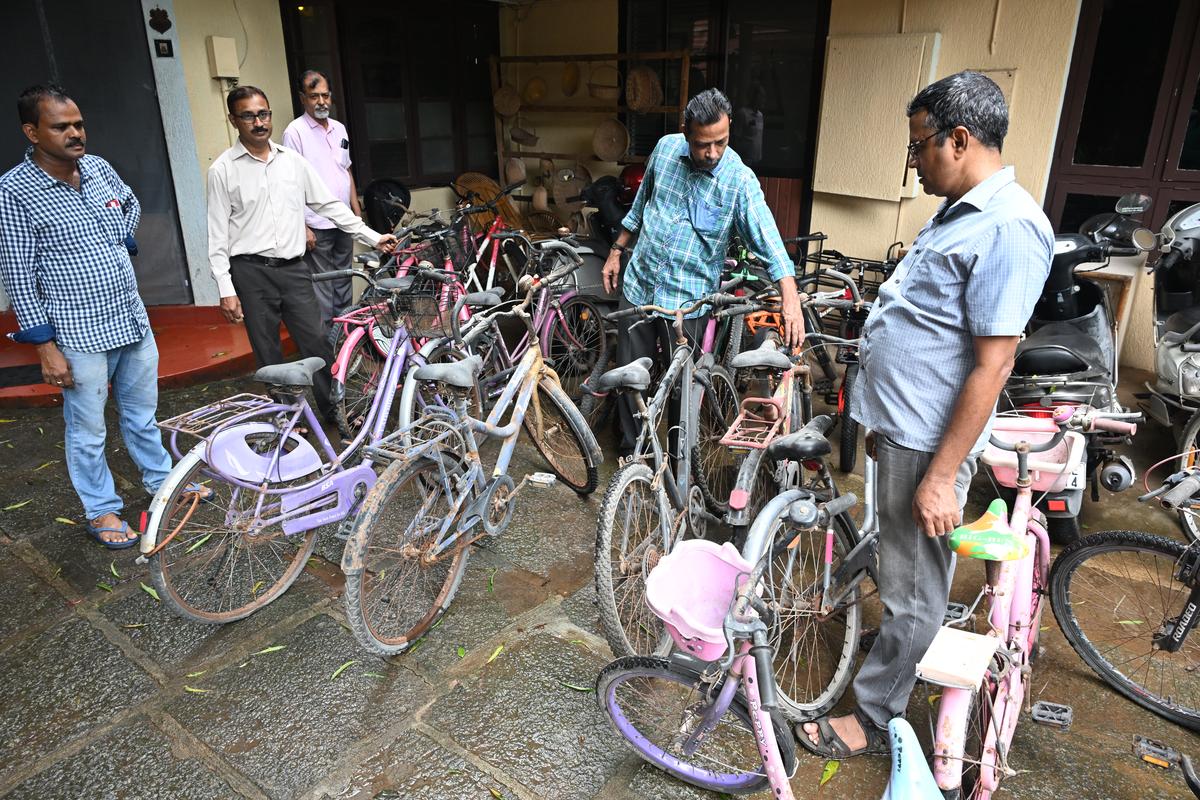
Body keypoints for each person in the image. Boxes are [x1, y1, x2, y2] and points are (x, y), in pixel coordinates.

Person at [799, 71, 1053, 758]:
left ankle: (875, 716)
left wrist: (941, 478)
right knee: (901, 561)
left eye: (920, 147)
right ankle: (900, 650)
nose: (914, 162)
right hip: (900, 428)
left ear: (959, 139)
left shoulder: (1009, 227)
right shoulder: (962, 207)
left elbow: (991, 366)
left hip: (926, 443)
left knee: (915, 593)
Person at [0, 84, 173, 549]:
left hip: (131, 319)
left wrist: (120, 235)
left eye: (78, 123)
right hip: (78, 334)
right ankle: (102, 510)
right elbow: (18, 272)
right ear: (32, 132)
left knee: (142, 417)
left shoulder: (98, 168)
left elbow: (130, 203)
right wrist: (44, 347)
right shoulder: (14, 190)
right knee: (88, 431)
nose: (76, 133)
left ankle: (163, 484)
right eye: (62, 126)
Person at [600, 88, 803, 461]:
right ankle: (634, 454)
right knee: (630, 378)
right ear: (685, 132)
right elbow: (641, 204)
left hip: (688, 303)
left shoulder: (738, 181)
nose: (711, 153)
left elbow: (769, 241)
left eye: (720, 143)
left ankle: (679, 463)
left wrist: (790, 299)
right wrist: (617, 251)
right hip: (640, 283)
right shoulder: (664, 149)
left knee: (682, 387)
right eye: (701, 144)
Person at [206, 86, 396, 424]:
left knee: (317, 343)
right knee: (268, 352)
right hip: (251, 272)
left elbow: (328, 206)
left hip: (295, 269)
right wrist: (225, 287)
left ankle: (333, 411)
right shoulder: (223, 170)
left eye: (263, 113)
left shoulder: (291, 163)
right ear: (234, 120)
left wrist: (372, 236)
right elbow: (217, 233)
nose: (258, 122)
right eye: (248, 116)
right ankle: (286, 417)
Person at [281, 70, 361, 334]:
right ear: (303, 98)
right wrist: (302, 226)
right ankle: (328, 349)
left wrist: (356, 211)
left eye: (325, 95)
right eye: (314, 96)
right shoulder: (295, 132)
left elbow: (345, 169)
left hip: (344, 220)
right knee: (323, 289)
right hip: (316, 224)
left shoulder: (340, 128)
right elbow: (289, 184)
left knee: (345, 280)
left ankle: (345, 340)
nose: (321, 102)